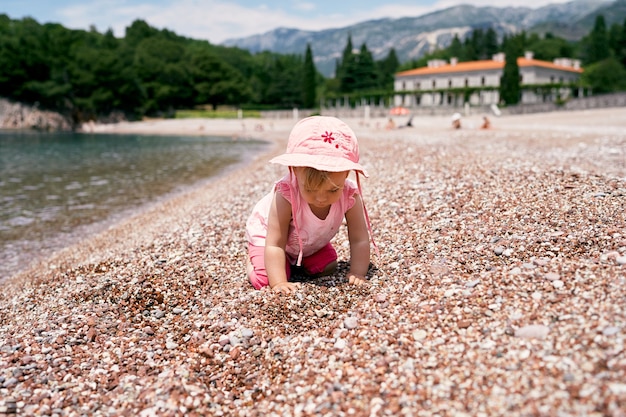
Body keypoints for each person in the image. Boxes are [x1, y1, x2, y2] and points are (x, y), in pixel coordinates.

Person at [245, 116, 375, 294]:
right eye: (310, 190)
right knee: (265, 280)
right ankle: (252, 260)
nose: (321, 198)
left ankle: (297, 261)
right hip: (270, 238)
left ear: (346, 173)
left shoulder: (349, 195)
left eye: (332, 191)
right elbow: (275, 243)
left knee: (328, 266)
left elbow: (359, 239)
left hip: (309, 243)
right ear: (296, 170)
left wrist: (358, 273)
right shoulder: (286, 195)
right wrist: (279, 282)